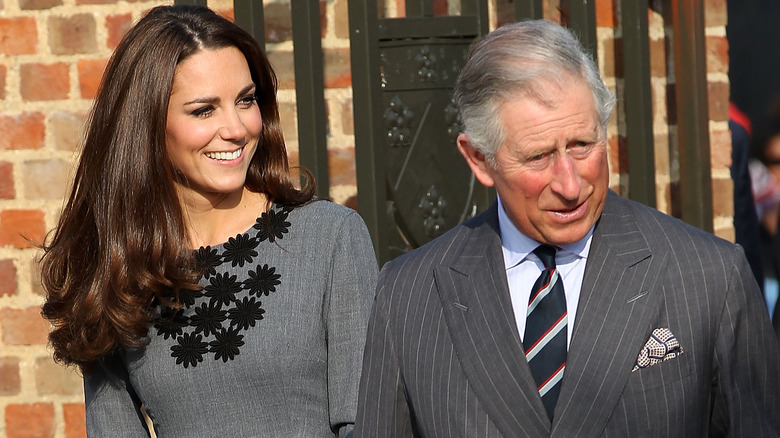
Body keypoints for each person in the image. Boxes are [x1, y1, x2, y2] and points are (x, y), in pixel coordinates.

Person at [354, 20, 780, 437]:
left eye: (582, 145)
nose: (570, 185)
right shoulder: (408, 297)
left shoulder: (707, 277)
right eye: (538, 157)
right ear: (479, 160)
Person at [39, 5, 377, 437]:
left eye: (245, 101)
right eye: (204, 110)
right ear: (148, 126)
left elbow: (368, 422)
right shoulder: (119, 270)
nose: (236, 128)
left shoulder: (331, 239)